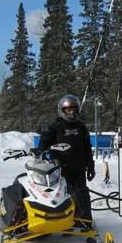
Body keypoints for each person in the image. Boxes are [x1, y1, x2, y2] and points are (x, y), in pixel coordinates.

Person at [38, 94, 96, 226]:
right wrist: (41, 155)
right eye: (69, 110)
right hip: (58, 169)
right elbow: (43, 143)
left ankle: (84, 222)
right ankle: (58, 221)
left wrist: (90, 166)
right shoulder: (54, 125)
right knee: (60, 197)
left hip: (78, 167)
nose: (72, 113)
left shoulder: (81, 127)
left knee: (81, 195)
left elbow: (87, 147)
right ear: (62, 110)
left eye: (74, 110)